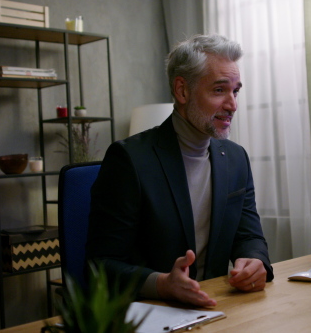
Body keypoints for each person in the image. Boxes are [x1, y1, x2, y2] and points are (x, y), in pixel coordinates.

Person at [85, 34, 274, 308]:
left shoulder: (235, 158)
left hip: (219, 307)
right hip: (152, 312)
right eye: (220, 90)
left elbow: (249, 236)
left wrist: (255, 260)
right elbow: (99, 266)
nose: (233, 104)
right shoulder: (129, 159)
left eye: (236, 91)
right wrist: (162, 284)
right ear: (182, 90)